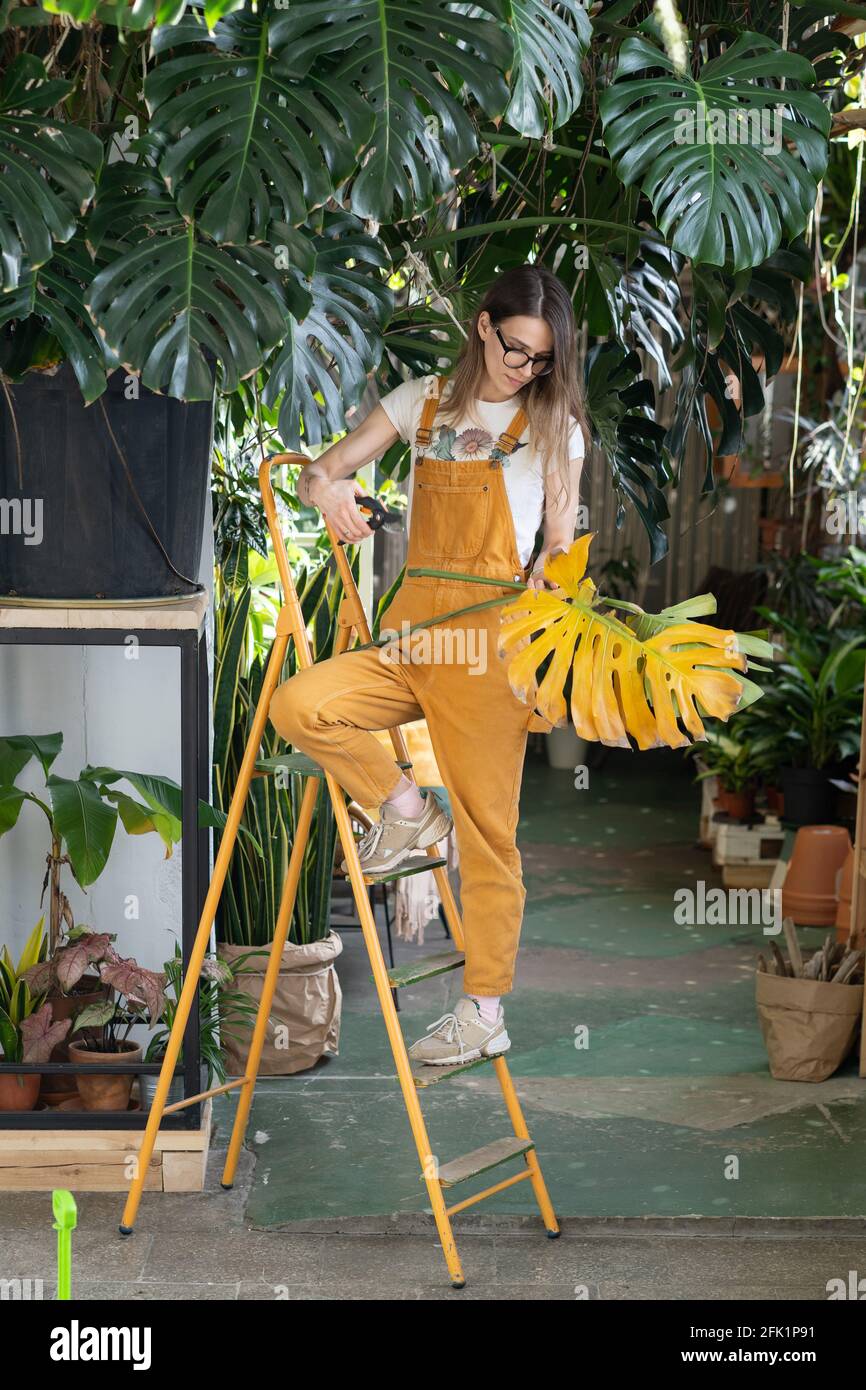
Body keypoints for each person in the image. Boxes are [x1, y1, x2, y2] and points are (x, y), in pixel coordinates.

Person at [269, 263, 587, 1065]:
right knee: (300, 706)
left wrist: (556, 571)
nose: (525, 371)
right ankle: (406, 809)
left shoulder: (556, 430)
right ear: (483, 325)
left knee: (490, 836)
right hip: (412, 643)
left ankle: (484, 1009)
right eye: (516, 350)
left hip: (490, 654)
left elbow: (561, 543)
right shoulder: (422, 403)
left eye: (542, 360)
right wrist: (328, 495)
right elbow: (318, 470)